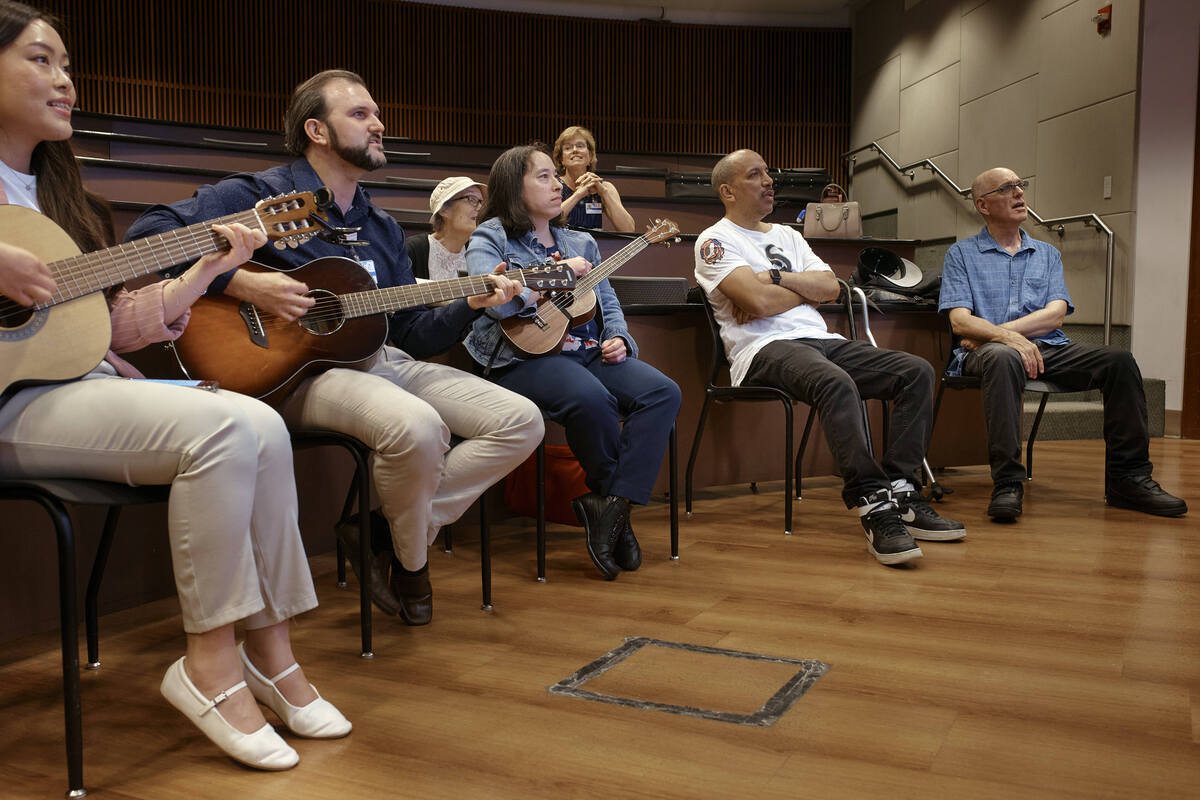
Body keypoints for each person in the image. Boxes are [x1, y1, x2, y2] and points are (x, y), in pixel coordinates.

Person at [0, 1, 348, 770]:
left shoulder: (64, 201)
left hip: (76, 390)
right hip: (12, 409)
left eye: (67, 66)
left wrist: (206, 269)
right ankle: (210, 665)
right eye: (41, 60)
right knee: (222, 429)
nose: (65, 82)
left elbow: (106, 332)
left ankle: (272, 651)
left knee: (256, 421)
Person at [127, 70, 544, 624]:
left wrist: (470, 305)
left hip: (380, 360)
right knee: (418, 427)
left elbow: (411, 332)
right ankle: (413, 566)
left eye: (376, 113)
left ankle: (378, 533)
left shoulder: (382, 225)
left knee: (521, 421)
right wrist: (242, 281)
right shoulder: (258, 196)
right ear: (317, 131)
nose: (379, 123)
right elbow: (147, 236)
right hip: (294, 373)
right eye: (361, 114)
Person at [693, 149, 964, 567]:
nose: (769, 180)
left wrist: (775, 278)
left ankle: (902, 490)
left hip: (820, 340)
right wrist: (797, 291)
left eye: (768, 171)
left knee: (916, 371)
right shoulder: (714, 241)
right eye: (755, 175)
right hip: (760, 350)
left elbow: (832, 288)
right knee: (835, 380)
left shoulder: (790, 236)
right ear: (727, 191)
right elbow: (757, 303)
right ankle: (873, 504)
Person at [463, 144, 681, 580]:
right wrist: (549, 279)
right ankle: (611, 508)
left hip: (582, 348)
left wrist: (618, 336)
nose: (557, 184)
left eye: (554, 176)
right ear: (513, 185)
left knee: (663, 392)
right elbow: (496, 307)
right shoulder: (490, 236)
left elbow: (607, 299)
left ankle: (611, 507)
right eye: (543, 176)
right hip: (520, 354)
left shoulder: (581, 240)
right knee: (593, 399)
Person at [939, 167, 1188, 521]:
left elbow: (1055, 315)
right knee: (1002, 357)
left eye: (1020, 186)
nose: (1019, 193)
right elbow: (960, 322)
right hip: (985, 355)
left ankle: (1129, 479)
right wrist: (1004, 341)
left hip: (1044, 347)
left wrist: (1000, 332)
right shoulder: (961, 255)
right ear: (983, 204)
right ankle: (1008, 482)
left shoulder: (1047, 254)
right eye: (1007, 188)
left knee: (1118, 360)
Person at [552, 125, 635, 232]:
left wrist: (604, 193)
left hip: (594, 246)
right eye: (568, 148)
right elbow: (550, 222)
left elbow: (628, 229)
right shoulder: (554, 185)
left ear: (590, 156)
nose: (575, 150)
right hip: (561, 247)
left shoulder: (605, 187)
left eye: (580, 146)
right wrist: (578, 195)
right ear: (561, 159)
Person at [405, 175, 485, 281]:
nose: (480, 208)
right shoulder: (412, 250)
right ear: (444, 209)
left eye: (481, 202)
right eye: (471, 199)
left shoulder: (479, 253)